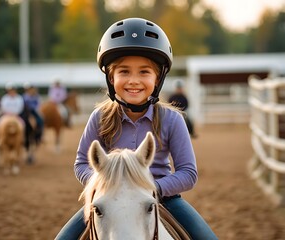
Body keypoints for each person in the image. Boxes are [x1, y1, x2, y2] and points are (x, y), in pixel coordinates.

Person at [55, 18, 217, 240]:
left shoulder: (172, 120)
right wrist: (103, 184)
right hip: (109, 197)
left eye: (144, 72)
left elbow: (188, 173)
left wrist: (152, 188)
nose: (133, 80)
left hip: (163, 197)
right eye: (124, 71)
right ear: (111, 78)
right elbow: (81, 163)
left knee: (207, 238)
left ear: (158, 78)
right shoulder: (99, 118)